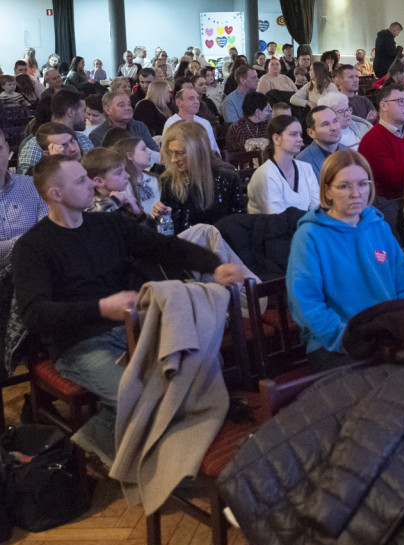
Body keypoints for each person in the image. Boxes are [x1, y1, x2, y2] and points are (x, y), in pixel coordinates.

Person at [12, 154, 242, 464]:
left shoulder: (108, 223)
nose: (90, 185)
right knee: (138, 394)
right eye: (80, 181)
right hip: (79, 343)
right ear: (56, 194)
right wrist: (101, 308)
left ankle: (99, 439)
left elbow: (164, 247)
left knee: (199, 359)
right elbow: (35, 313)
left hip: (133, 326)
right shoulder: (33, 247)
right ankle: (102, 450)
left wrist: (213, 266)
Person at [287, 149, 404, 371]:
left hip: (387, 334)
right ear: (327, 191)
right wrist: (346, 339)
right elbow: (306, 302)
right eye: (344, 186)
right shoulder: (310, 235)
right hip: (335, 342)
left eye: (362, 184)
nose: (355, 193)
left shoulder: (378, 225)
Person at [152, 121, 244, 233]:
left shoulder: (227, 176)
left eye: (179, 153)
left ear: (198, 151)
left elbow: (238, 221)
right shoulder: (169, 179)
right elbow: (170, 233)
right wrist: (166, 217)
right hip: (185, 245)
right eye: (171, 152)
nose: (173, 159)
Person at [357, 84, 404, 201]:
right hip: (393, 207)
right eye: (401, 101)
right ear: (384, 105)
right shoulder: (371, 141)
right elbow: (395, 179)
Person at [247, 115, 318, 215]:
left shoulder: (306, 168)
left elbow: (317, 209)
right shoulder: (265, 175)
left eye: (300, 134)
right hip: (272, 229)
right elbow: (276, 221)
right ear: (276, 139)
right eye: (293, 134)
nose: (300, 139)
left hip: (305, 228)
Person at [17, 89, 94, 174]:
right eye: (84, 110)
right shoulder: (35, 145)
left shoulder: (82, 138)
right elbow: (28, 183)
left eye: (72, 141)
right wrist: (54, 163)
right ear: (71, 112)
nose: (87, 116)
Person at [0, 130, 48, 262]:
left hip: (35, 271)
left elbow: (48, 235)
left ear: (7, 149)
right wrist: (30, 242)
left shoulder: (33, 185)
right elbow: (41, 239)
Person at [89, 91, 159, 153]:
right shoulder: (97, 135)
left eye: (129, 104)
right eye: (121, 105)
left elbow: (154, 152)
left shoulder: (140, 126)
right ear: (108, 110)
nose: (128, 108)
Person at [163, 85, 220, 157]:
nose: (196, 102)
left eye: (197, 99)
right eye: (191, 99)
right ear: (178, 102)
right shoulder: (171, 123)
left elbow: (213, 150)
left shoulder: (205, 123)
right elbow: (167, 152)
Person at [113, 136, 160, 217]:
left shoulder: (154, 179)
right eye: (144, 149)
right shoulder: (123, 185)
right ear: (129, 156)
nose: (149, 152)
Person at [295, 105, 343, 178]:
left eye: (335, 121)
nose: (334, 128)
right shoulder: (302, 162)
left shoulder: (350, 153)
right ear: (311, 133)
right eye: (325, 124)